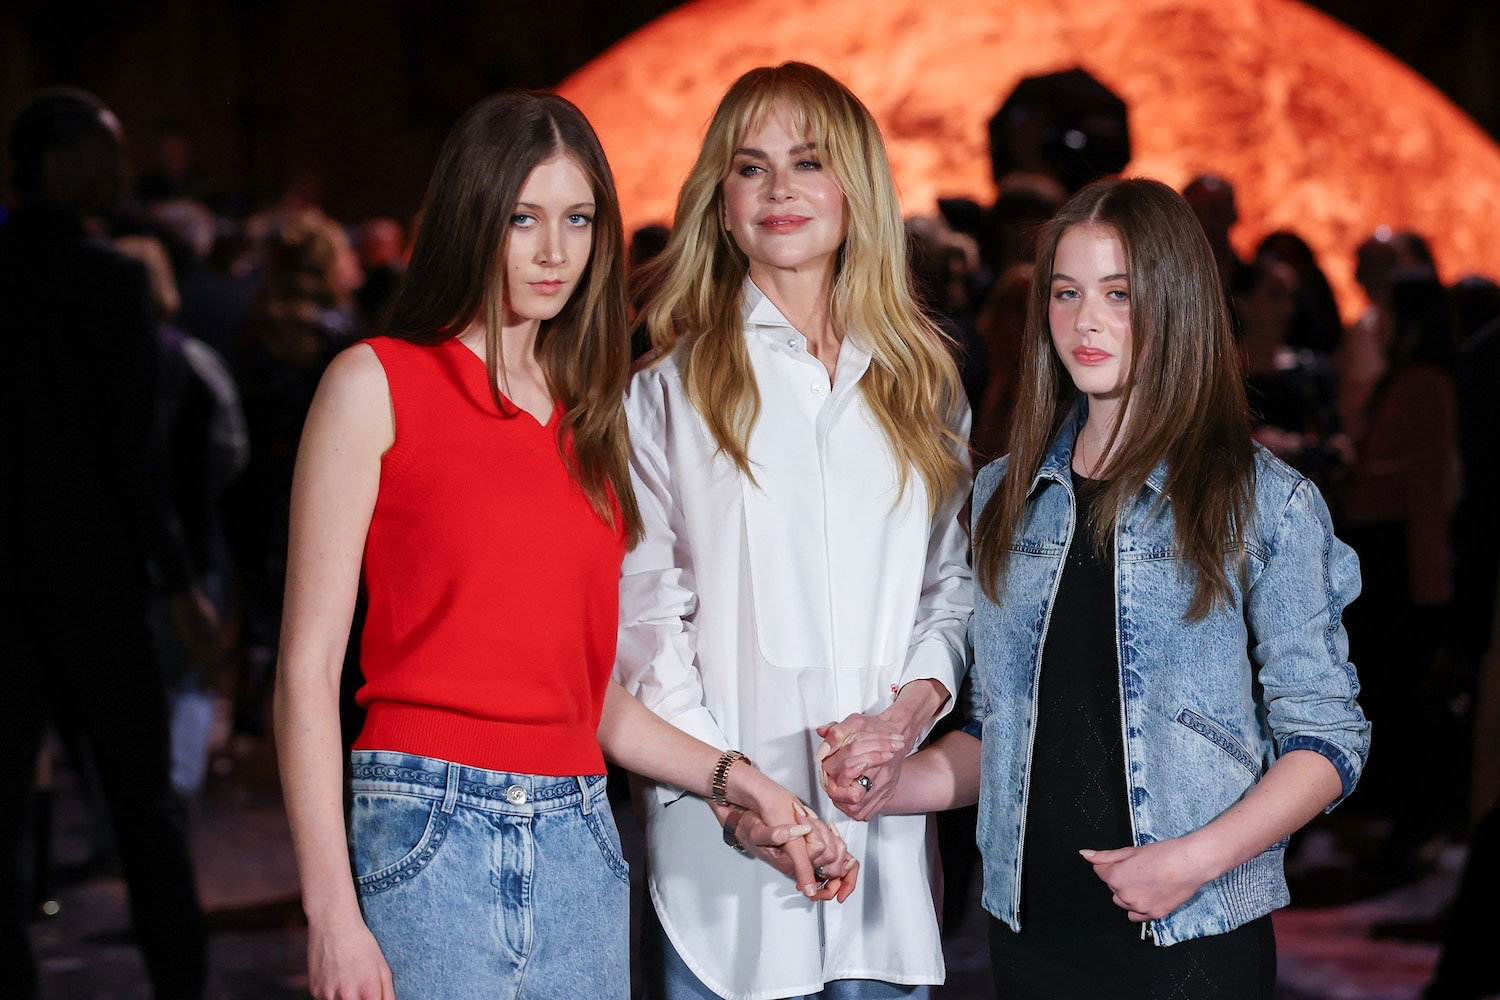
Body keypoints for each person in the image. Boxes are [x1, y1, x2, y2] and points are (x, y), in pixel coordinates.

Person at [273, 91, 848, 1000]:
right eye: (522, 218)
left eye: (578, 219)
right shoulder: (376, 384)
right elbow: (306, 671)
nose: (554, 252)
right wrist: (330, 913)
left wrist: (740, 781)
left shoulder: (594, 415)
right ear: (470, 218)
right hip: (428, 825)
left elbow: (586, 694)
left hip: (581, 832)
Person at [825, 177, 1369, 998]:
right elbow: (1001, 731)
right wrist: (896, 782)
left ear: (1176, 303)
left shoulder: (1264, 503)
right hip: (1032, 931)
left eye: (1119, 294)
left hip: (1191, 936)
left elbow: (1327, 740)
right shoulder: (1006, 494)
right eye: (1066, 292)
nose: (1086, 321)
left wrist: (1191, 862)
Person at [619, 62, 973, 999]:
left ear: (857, 190)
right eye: (752, 167)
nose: (780, 188)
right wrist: (737, 795)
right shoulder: (664, 394)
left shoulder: (922, 388)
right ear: (721, 204)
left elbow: (950, 588)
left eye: (809, 162)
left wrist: (905, 720)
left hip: (885, 859)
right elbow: (648, 629)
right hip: (723, 861)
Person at [0, 87, 215, 1000]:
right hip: (95, 577)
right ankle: (179, 982)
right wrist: (177, 581)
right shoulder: (110, 281)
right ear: (56, 161)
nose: (120, 170)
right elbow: (134, 454)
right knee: (141, 802)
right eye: (104, 150)